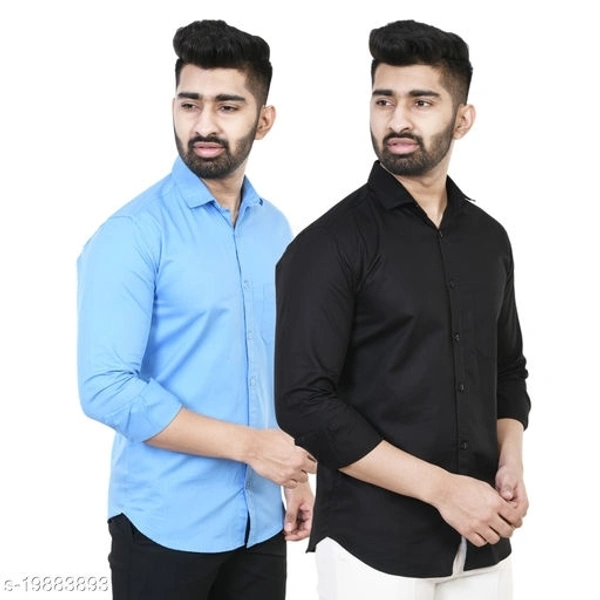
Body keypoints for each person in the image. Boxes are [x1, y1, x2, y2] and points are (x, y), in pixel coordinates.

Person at [274, 19, 530, 600]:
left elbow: (507, 371)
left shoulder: (489, 238)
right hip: (372, 549)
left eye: (422, 101)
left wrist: (510, 459)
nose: (397, 120)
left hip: (483, 539)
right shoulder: (328, 245)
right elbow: (304, 405)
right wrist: (444, 490)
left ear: (462, 118)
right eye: (383, 100)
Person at [77, 19, 315, 600]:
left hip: (259, 521)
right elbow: (105, 388)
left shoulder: (275, 229)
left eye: (227, 106)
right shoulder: (132, 234)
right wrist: (253, 447)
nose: (204, 124)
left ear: (264, 120)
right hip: (164, 526)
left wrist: (290, 475)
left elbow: (272, 363)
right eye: (190, 104)